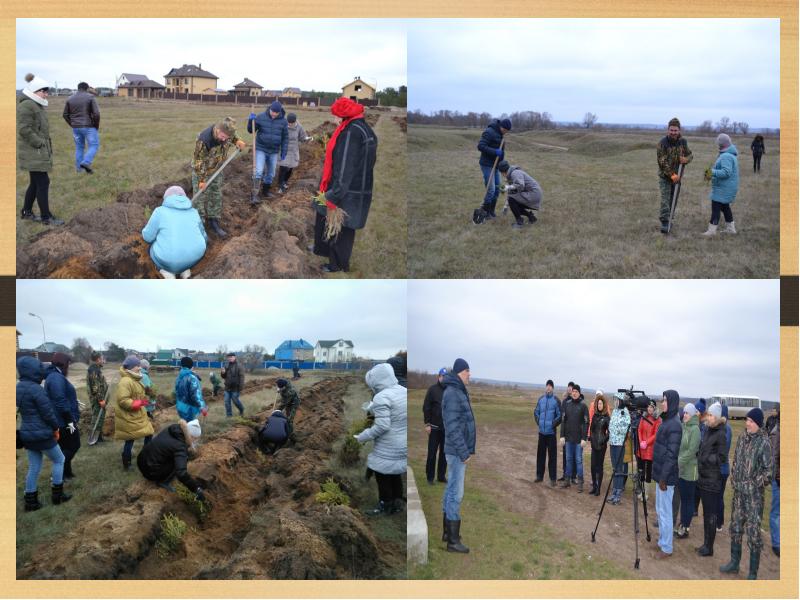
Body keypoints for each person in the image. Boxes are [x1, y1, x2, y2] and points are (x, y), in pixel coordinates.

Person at [312, 97, 378, 273]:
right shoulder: (364, 128)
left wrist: (335, 194)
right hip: (356, 186)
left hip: (347, 190)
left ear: (343, 116)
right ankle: (321, 249)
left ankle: (337, 265)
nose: (334, 119)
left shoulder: (351, 133)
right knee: (321, 213)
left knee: (341, 229)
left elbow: (345, 166)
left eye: (336, 115)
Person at [720, 408, 773, 579]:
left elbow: (769, 472)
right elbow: (735, 459)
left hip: (754, 499)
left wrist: (752, 485)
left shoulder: (764, 443)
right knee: (735, 527)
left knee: (753, 534)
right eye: (747, 420)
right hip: (738, 495)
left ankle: (752, 572)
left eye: (750, 421)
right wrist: (734, 477)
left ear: (758, 423)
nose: (747, 423)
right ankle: (734, 563)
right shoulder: (743, 438)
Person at [17, 356, 71, 510]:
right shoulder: (36, 389)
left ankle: (31, 501)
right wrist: (56, 428)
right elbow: (48, 414)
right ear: (34, 371)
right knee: (59, 459)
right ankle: (57, 495)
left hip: (27, 434)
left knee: (34, 466)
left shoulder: (18, 387)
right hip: (42, 434)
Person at [355, 363, 407, 516]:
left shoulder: (381, 396)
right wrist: (374, 408)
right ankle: (397, 503)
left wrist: (363, 436)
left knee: (381, 472)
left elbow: (382, 426)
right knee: (395, 471)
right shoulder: (403, 391)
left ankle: (385, 504)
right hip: (403, 443)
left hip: (389, 444)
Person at [17, 73, 63, 225]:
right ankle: (46, 217)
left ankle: (26, 212)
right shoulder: (26, 105)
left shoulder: (36, 104)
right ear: (34, 90)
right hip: (33, 151)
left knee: (35, 183)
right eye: (43, 91)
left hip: (37, 151)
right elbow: (24, 129)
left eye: (46, 91)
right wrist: (39, 143)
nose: (46, 94)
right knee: (43, 182)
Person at [192, 117, 247, 237]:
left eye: (226, 138)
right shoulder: (204, 139)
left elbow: (233, 136)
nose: (224, 139)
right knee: (199, 197)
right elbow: (198, 161)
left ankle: (214, 221)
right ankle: (199, 224)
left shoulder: (228, 132)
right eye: (222, 136)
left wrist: (237, 141)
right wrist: (201, 179)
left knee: (215, 194)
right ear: (217, 130)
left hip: (217, 168)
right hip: (202, 170)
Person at [441, 358, 474, 553]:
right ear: (461, 371)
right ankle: (453, 542)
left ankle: (448, 532)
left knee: (451, 489)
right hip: (456, 452)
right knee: (456, 493)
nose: (470, 374)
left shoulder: (457, 390)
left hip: (454, 451)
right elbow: (452, 427)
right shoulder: (453, 392)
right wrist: (464, 452)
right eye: (468, 370)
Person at [141, 185, 207, 279]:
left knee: (151, 248)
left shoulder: (160, 212)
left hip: (170, 260)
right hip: (195, 256)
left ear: (166, 198)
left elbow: (147, 237)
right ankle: (185, 270)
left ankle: (167, 272)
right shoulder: (194, 211)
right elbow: (204, 236)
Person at [137, 418, 205, 501]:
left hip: (142, 460)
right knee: (182, 460)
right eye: (195, 439)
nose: (195, 441)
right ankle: (163, 482)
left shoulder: (174, 429)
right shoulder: (180, 446)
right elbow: (181, 473)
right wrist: (196, 488)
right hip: (150, 471)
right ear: (190, 436)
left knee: (178, 457)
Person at [694, 402, 727, 557]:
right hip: (704, 477)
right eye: (709, 414)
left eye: (712, 415)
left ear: (717, 417)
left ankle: (709, 547)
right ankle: (706, 544)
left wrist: (706, 458)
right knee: (706, 513)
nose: (709, 417)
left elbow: (722, 457)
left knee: (711, 514)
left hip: (713, 480)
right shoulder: (708, 430)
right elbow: (704, 448)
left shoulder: (721, 432)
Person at [652, 390, 682, 559]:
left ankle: (667, 548)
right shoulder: (666, 421)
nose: (662, 403)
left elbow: (672, 455)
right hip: (660, 474)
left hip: (666, 477)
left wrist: (663, 478)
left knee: (665, 513)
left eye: (664, 400)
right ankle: (663, 540)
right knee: (660, 509)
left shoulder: (675, 425)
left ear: (671, 402)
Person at [43, 352, 80, 480]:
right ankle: (57, 473)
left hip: (61, 419)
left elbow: (61, 396)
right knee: (74, 445)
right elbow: (59, 400)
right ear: (64, 363)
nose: (69, 367)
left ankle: (66, 473)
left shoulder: (55, 375)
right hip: (63, 421)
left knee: (65, 446)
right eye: (68, 363)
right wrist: (70, 420)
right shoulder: (55, 377)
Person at [115, 355, 154, 471]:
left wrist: (146, 396)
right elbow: (123, 400)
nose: (140, 368)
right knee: (130, 438)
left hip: (138, 414)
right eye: (137, 366)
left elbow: (137, 395)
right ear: (131, 367)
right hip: (130, 416)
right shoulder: (126, 381)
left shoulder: (134, 379)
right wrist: (139, 403)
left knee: (149, 433)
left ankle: (145, 456)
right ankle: (127, 463)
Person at [656, 117, 693, 233]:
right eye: (671, 130)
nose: (673, 132)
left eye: (675, 130)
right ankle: (665, 222)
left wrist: (686, 159)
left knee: (673, 200)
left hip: (678, 178)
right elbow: (662, 162)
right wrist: (672, 175)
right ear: (668, 130)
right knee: (665, 200)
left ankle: (670, 218)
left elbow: (690, 155)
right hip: (666, 177)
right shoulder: (662, 143)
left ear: (679, 130)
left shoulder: (683, 142)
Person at [247, 101, 289, 202]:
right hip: (261, 148)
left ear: (280, 112)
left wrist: (284, 150)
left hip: (274, 151)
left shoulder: (283, 121)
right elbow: (251, 130)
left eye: (276, 112)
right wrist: (250, 121)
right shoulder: (261, 117)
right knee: (258, 171)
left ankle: (265, 191)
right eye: (272, 111)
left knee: (271, 173)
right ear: (269, 109)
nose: (273, 114)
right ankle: (254, 194)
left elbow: (285, 137)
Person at [702, 133, 739, 237]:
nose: (717, 145)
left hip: (723, 189)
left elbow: (726, 172)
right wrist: (712, 175)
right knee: (725, 207)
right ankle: (731, 229)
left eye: (718, 143)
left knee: (716, 207)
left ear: (721, 144)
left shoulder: (726, 156)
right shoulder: (729, 154)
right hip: (726, 187)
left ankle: (711, 231)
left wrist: (712, 172)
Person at [476, 117, 511, 220]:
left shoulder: (502, 136)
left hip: (495, 165)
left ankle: (491, 211)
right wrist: (494, 151)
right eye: (505, 130)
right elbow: (480, 146)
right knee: (490, 189)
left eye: (507, 131)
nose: (505, 132)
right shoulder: (489, 132)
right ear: (501, 127)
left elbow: (501, 152)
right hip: (486, 164)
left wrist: (501, 163)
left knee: (497, 189)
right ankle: (485, 212)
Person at [62, 81, 100, 173]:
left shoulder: (70, 98)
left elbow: (65, 114)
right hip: (88, 126)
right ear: (87, 88)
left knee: (79, 147)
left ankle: (79, 169)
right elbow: (96, 113)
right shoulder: (90, 97)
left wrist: (72, 124)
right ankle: (86, 162)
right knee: (94, 145)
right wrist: (96, 125)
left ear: (78, 88)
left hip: (76, 127)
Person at [675, 403, 700, 539]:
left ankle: (686, 527)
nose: (685, 415)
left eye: (687, 413)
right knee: (683, 499)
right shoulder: (684, 426)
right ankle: (682, 524)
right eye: (684, 413)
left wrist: (678, 462)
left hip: (690, 471)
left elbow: (692, 451)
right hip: (681, 469)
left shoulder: (695, 429)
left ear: (692, 415)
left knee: (688, 500)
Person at [559, 384, 588, 492]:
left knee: (578, 461)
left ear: (579, 393)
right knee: (568, 460)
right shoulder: (567, 404)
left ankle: (580, 482)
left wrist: (584, 438)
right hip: (568, 439)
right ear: (571, 393)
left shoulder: (583, 406)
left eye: (576, 391)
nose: (574, 393)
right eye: (573, 391)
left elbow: (586, 423)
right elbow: (563, 421)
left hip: (578, 440)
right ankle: (567, 480)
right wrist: (562, 436)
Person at [498, 160, 542, 229]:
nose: (502, 175)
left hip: (533, 194)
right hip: (531, 194)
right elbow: (511, 193)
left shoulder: (515, 173)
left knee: (512, 201)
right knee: (514, 202)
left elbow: (520, 185)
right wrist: (505, 206)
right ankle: (531, 217)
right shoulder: (511, 175)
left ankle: (519, 222)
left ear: (503, 172)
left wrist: (507, 187)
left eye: (501, 173)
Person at [534, 379, 562, 486]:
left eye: (550, 386)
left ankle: (553, 479)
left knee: (552, 457)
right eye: (547, 385)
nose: (548, 387)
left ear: (553, 388)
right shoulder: (541, 399)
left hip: (551, 434)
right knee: (540, 455)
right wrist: (539, 423)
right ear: (546, 387)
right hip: (542, 433)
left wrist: (552, 424)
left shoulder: (556, 400)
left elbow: (560, 415)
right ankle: (539, 476)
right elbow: (536, 412)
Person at [423, 368, 448, 485]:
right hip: (433, 427)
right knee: (432, 453)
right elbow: (426, 407)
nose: (444, 378)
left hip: (446, 428)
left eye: (446, 376)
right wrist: (427, 423)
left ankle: (441, 476)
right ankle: (430, 477)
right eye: (442, 376)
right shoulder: (432, 390)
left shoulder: (450, 390)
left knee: (444, 453)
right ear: (439, 377)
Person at [276, 112, 312, 193]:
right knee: (283, 167)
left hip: (293, 150)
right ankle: (281, 185)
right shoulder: (282, 125)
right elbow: (277, 135)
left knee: (290, 168)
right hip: (284, 149)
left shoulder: (299, 127)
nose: (290, 124)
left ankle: (285, 181)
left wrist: (307, 139)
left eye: (292, 123)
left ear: (295, 121)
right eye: (289, 123)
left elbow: (302, 137)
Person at [606, 393, 631, 504]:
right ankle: (614, 491)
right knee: (614, 468)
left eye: (617, 400)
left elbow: (627, 429)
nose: (615, 402)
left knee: (619, 469)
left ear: (621, 401)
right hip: (612, 443)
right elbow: (611, 425)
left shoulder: (625, 412)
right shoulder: (615, 411)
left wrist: (618, 430)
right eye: (614, 399)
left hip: (620, 444)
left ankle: (618, 494)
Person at [636, 399, 661, 501]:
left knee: (648, 471)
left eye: (652, 407)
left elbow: (656, 434)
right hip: (642, 449)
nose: (650, 409)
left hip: (650, 449)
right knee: (641, 469)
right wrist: (641, 441)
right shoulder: (644, 418)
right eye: (649, 407)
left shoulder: (657, 420)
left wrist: (647, 442)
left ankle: (646, 493)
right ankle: (641, 491)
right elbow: (639, 429)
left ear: (654, 408)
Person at [588, 393, 610, 496]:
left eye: (601, 403)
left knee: (599, 467)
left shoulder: (607, 417)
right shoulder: (595, 416)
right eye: (598, 404)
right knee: (592, 466)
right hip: (594, 445)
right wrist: (592, 439)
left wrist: (603, 440)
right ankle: (594, 487)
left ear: (604, 405)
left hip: (602, 446)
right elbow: (592, 429)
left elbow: (609, 433)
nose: (599, 405)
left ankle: (598, 489)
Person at [175, 356, 207, 422]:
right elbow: (195, 394)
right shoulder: (191, 378)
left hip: (180, 406)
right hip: (189, 408)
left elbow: (176, 391)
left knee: (184, 425)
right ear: (191, 365)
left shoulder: (179, 377)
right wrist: (202, 407)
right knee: (190, 427)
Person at [86, 351, 108, 444]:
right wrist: (101, 400)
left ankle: (99, 437)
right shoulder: (94, 370)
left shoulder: (97, 369)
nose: (104, 361)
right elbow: (95, 387)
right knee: (96, 418)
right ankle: (93, 439)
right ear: (98, 359)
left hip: (100, 399)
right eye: (103, 359)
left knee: (100, 418)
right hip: (97, 400)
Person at [717, 404, 733, 531]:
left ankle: (719, 522)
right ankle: (717, 520)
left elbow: (722, 449)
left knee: (719, 496)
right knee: (718, 496)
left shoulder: (726, 429)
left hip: (721, 469)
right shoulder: (725, 428)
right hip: (721, 468)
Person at [766, 407, 780, 557]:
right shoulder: (777, 432)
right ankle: (777, 543)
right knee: (776, 513)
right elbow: (773, 457)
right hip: (779, 479)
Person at [558, 382, 576, 482]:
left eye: (571, 388)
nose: (569, 389)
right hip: (566, 432)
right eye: (568, 387)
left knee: (573, 455)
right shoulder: (565, 401)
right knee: (565, 454)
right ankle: (565, 474)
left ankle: (573, 476)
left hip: (574, 433)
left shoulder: (576, 400)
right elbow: (562, 416)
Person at [220, 352, 245, 418]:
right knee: (226, 402)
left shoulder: (239, 366)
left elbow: (242, 377)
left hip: (235, 388)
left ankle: (241, 409)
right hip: (227, 387)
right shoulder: (226, 365)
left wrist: (241, 387)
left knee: (235, 401)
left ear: (234, 357)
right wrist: (222, 373)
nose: (230, 358)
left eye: (231, 357)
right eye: (229, 357)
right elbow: (224, 376)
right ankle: (229, 416)